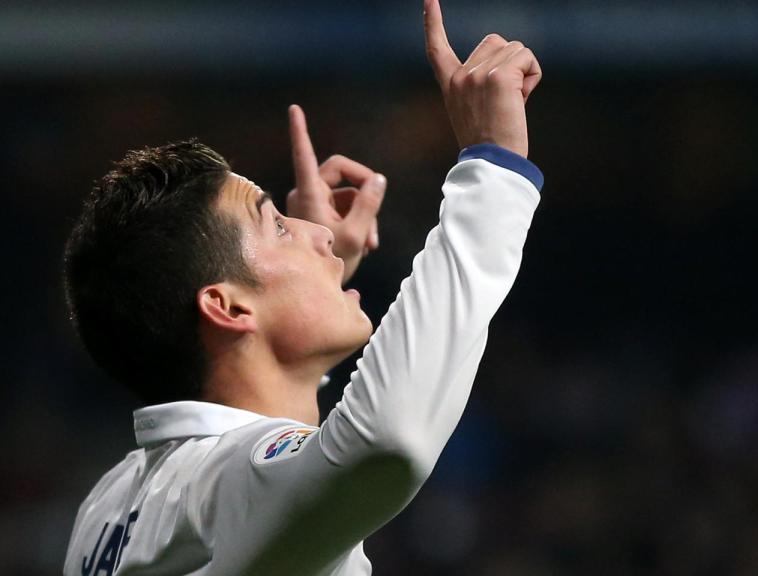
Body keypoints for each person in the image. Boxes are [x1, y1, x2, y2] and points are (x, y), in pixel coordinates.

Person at [62, 1, 544, 574]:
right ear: (226, 306)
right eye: (278, 226)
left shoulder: (107, 508)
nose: (322, 233)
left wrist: (302, 296)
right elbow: (382, 443)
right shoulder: (226, 485)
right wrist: (493, 167)